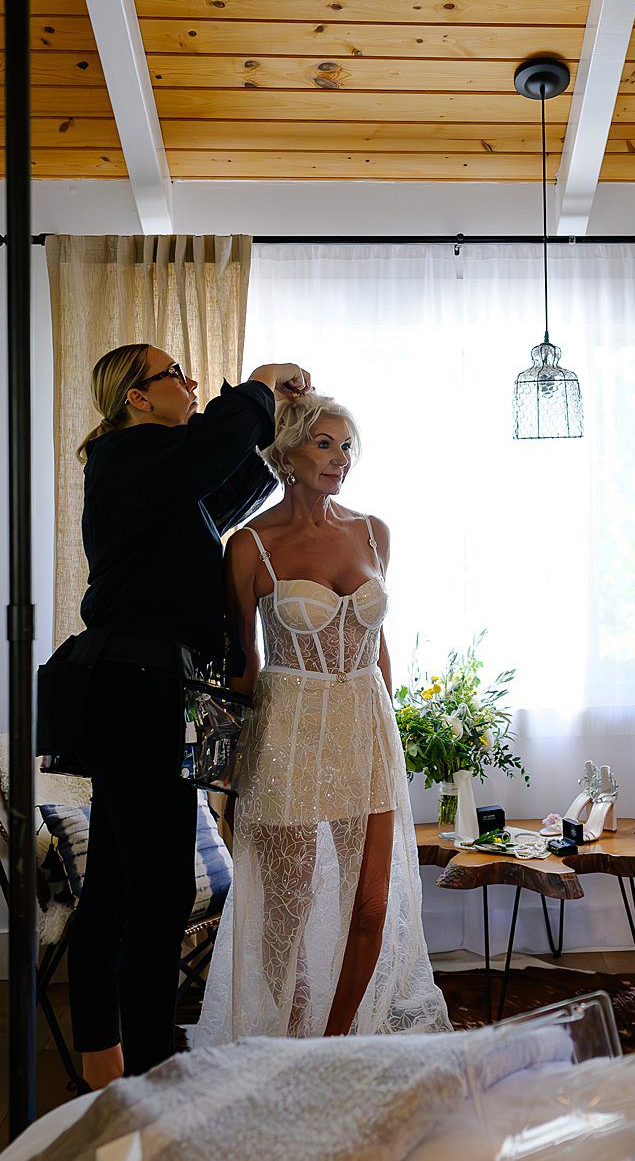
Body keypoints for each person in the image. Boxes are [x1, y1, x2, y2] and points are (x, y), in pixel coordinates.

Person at [62, 344, 310, 1085]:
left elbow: (223, 485)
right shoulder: (125, 457)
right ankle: (154, 1075)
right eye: (174, 375)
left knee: (114, 883)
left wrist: (275, 422)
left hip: (145, 689)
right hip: (139, 690)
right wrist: (258, 385)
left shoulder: (157, 480)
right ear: (136, 398)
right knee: (161, 890)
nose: (192, 384)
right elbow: (207, 453)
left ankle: (105, 1062)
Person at [194, 392, 451, 1043]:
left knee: (371, 903)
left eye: (346, 446)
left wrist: (390, 725)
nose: (340, 458)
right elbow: (242, 663)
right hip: (288, 728)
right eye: (324, 444)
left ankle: (336, 1041)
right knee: (287, 910)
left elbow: (378, 644)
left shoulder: (373, 532)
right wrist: (231, 769)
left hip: (364, 724)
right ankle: (287, 1035)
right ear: (286, 455)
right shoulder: (249, 545)